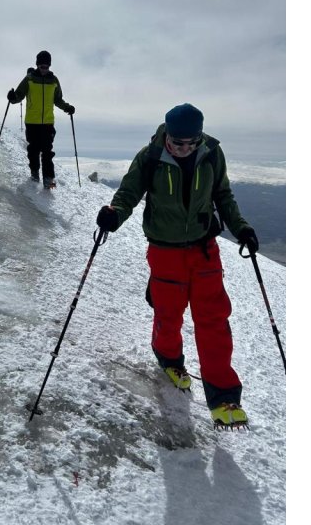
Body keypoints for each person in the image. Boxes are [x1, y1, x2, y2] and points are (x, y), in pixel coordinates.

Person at [94, 103, 259, 429]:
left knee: (213, 317)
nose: (183, 149)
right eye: (176, 142)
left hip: (203, 249)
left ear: (198, 138)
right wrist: (114, 213)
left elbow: (223, 195)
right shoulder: (151, 156)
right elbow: (129, 191)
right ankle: (169, 359)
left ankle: (223, 394)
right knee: (168, 314)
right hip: (164, 250)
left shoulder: (211, 154)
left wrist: (241, 228)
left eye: (189, 143)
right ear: (166, 134)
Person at [7, 50, 74, 188]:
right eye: (42, 66)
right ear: (37, 65)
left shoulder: (54, 80)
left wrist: (67, 107)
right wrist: (12, 98)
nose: (44, 69)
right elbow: (19, 95)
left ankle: (48, 178)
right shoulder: (29, 79)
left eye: (47, 66)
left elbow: (58, 99)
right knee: (33, 149)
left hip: (48, 122)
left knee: (47, 151)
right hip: (32, 121)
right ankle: (34, 172)